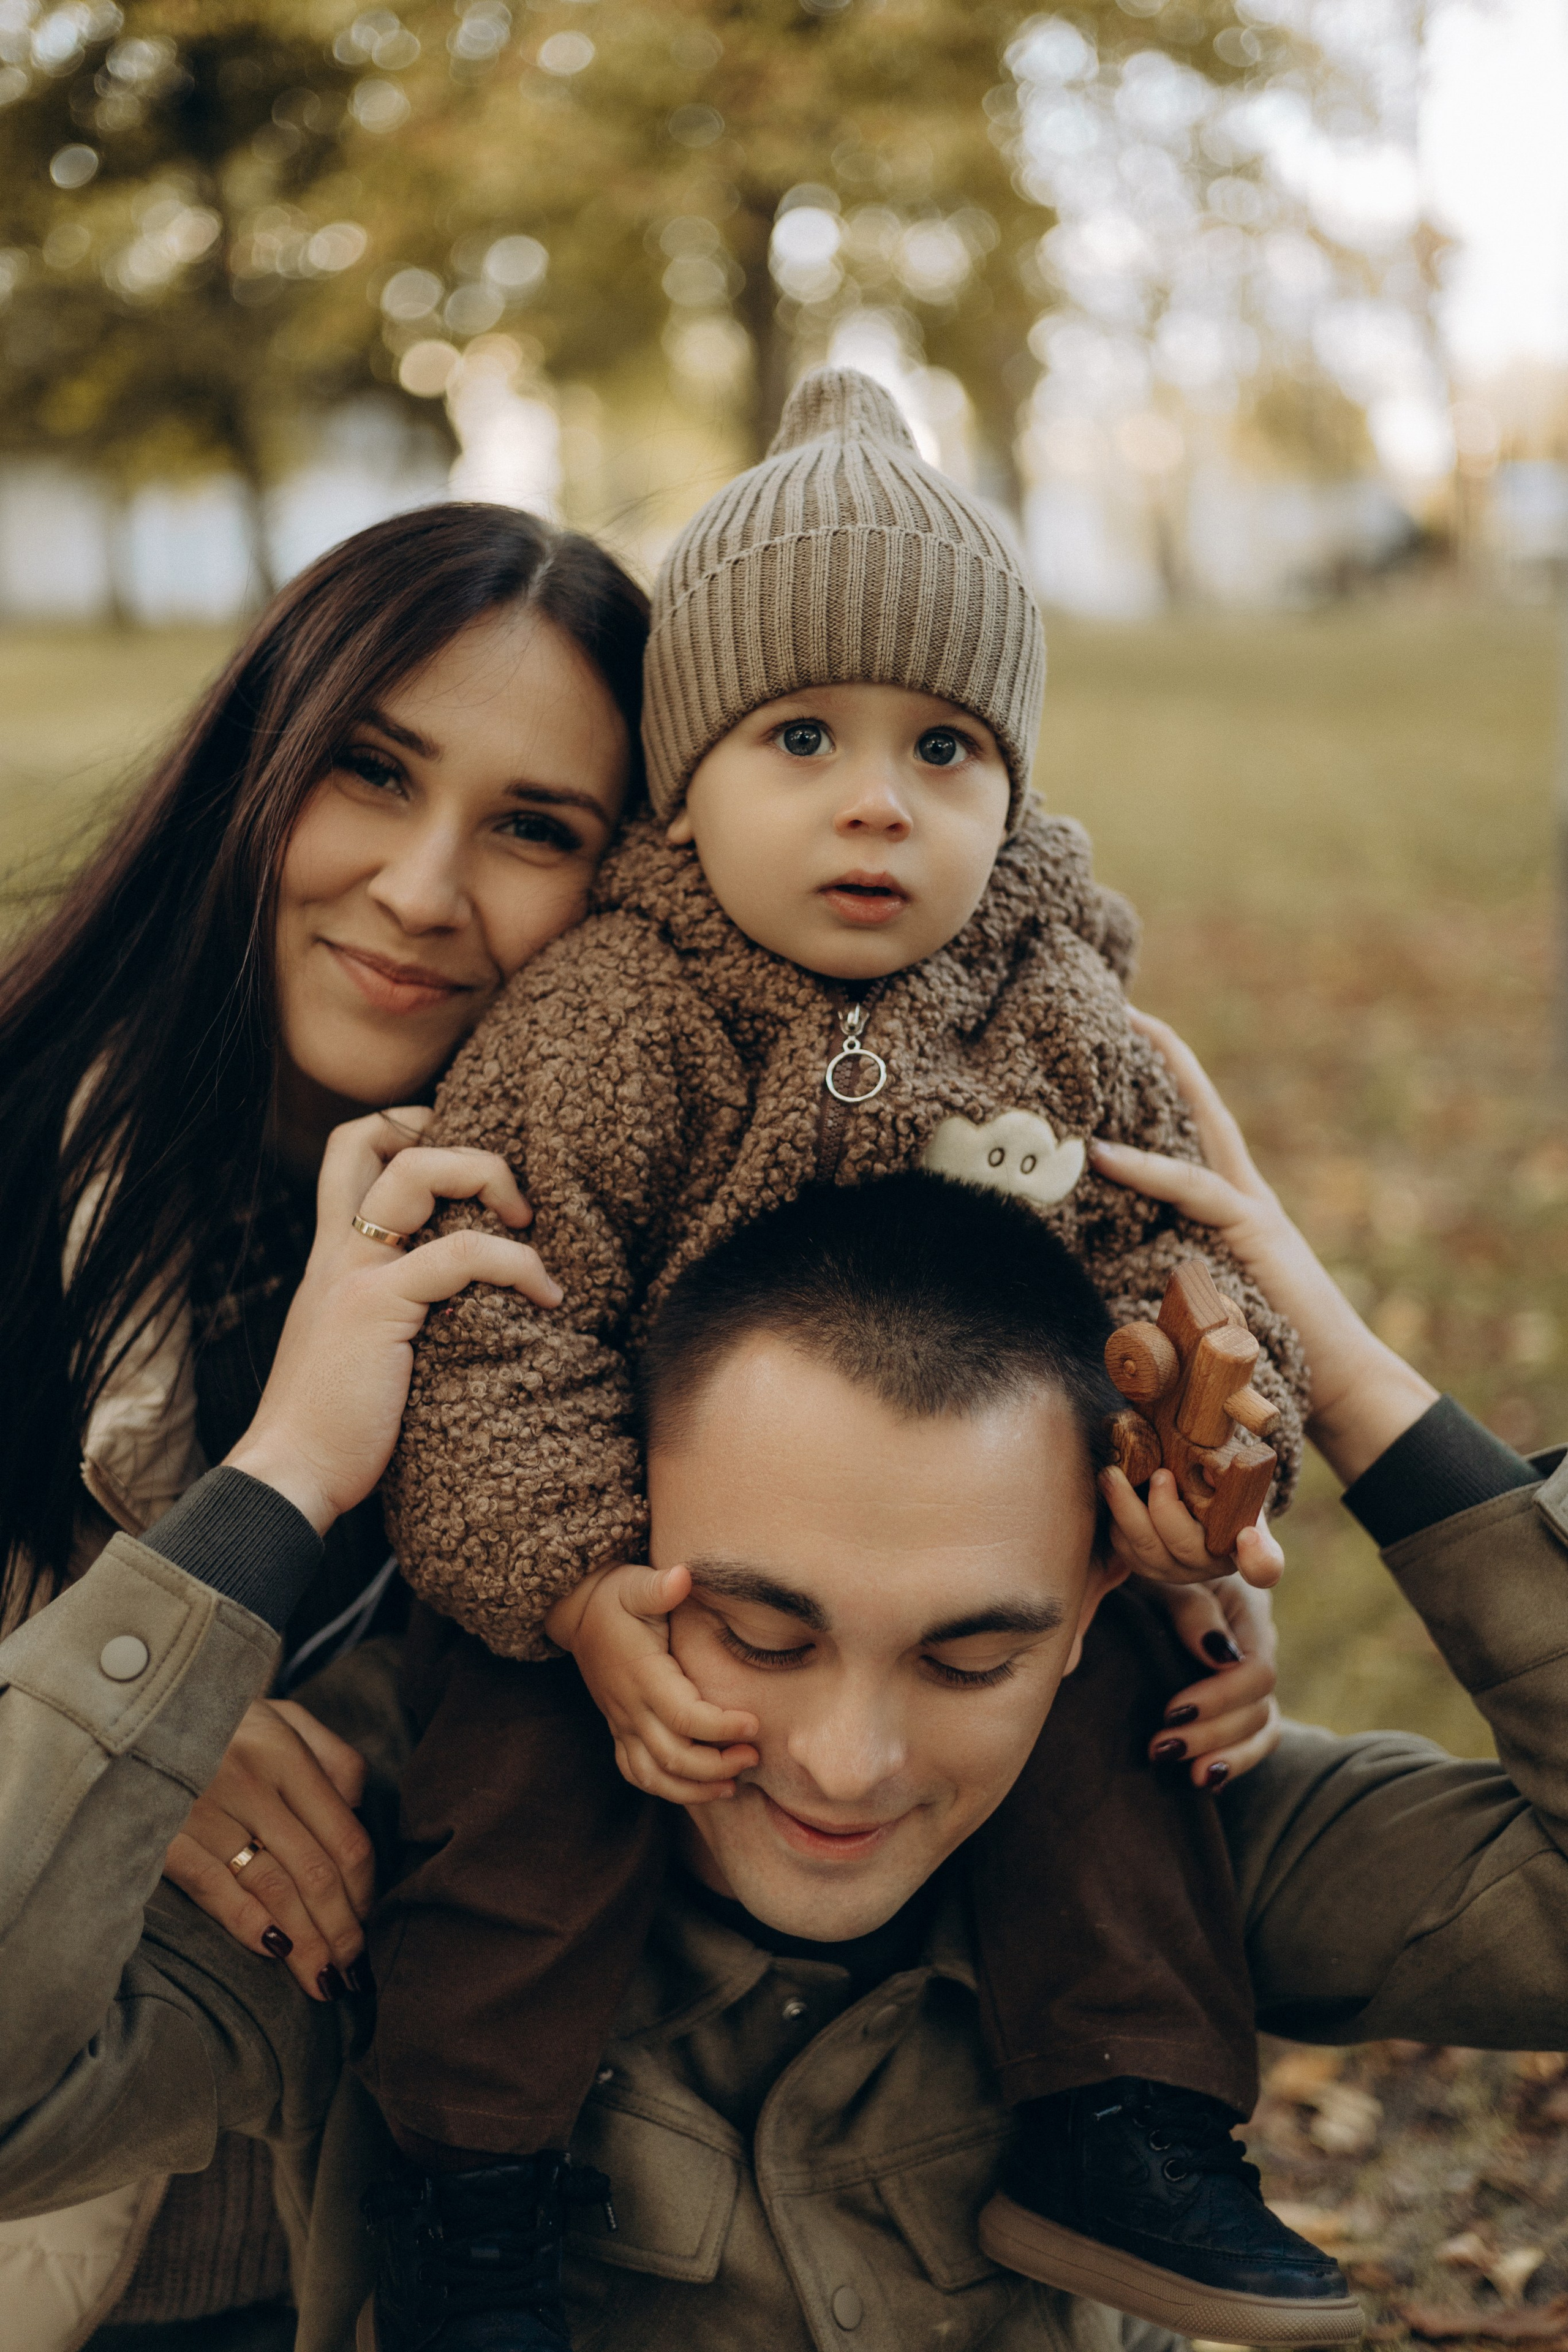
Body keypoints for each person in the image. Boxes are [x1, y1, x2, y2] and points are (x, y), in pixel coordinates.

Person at [1, 1059, 1566, 2352]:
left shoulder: (1181, 1799)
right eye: (757, 1635)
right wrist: (279, 1481)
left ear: (1096, 1606)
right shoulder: (382, 1832)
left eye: (969, 1661)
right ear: (624, 1542)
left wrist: (1338, 1368)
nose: (846, 1763)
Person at [366, 366, 1309, 2344]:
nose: (879, 801)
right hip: (662, 1562)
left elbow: (1178, 1274)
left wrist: (1199, 1502)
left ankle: (1126, 2119)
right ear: (685, 779)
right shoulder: (612, 1019)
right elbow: (496, 1323)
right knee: (515, 1781)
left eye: (945, 748)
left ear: (1012, 791)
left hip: (973, 1553)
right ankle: (471, 2189)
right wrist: (579, 1587)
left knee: (1119, 1726)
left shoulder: (1057, 1016)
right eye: (802, 737)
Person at [0, 501, 647, 2350]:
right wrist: (136, 1725)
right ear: (255, 764)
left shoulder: (635, 1250)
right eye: (374, 771)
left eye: (536, 828)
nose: (425, 891)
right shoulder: (24, 1154)